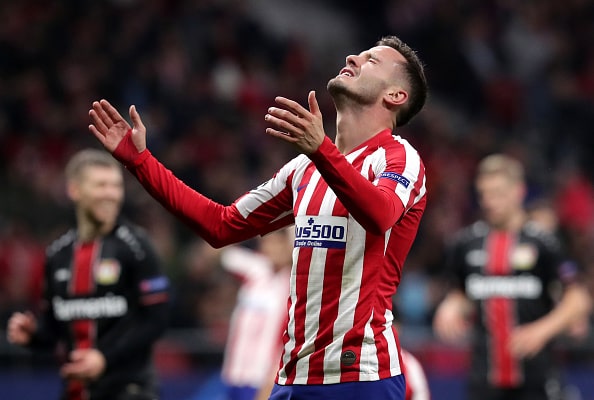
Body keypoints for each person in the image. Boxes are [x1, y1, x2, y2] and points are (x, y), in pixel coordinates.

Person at [88, 34, 428, 400]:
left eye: (371, 60)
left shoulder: (399, 158)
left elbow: (380, 214)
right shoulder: (303, 170)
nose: (353, 58)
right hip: (293, 377)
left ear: (395, 96)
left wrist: (322, 151)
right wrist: (141, 162)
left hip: (362, 376)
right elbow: (220, 225)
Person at [7, 149, 171, 400]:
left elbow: (156, 320)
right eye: (101, 185)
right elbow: (57, 327)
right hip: (75, 392)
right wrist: (33, 336)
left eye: (116, 186)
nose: (111, 194)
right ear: (75, 190)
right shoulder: (57, 254)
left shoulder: (137, 246)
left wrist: (105, 358)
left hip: (130, 389)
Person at [433, 154, 592, 400]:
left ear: (518, 191)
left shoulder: (544, 243)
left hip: (536, 378)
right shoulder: (465, 243)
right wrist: (451, 307)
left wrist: (542, 330)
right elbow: (462, 292)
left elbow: (579, 299)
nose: (489, 202)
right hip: (483, 380)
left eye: (497, 193)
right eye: (483, 194)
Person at [219, 227, 293, 400]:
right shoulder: (255, 269)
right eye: (268, 242)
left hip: (263, 376)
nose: (272, 248)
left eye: (278, 243)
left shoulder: (294, 283)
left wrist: (273, 377)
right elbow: (225, 255)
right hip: (234, 371)